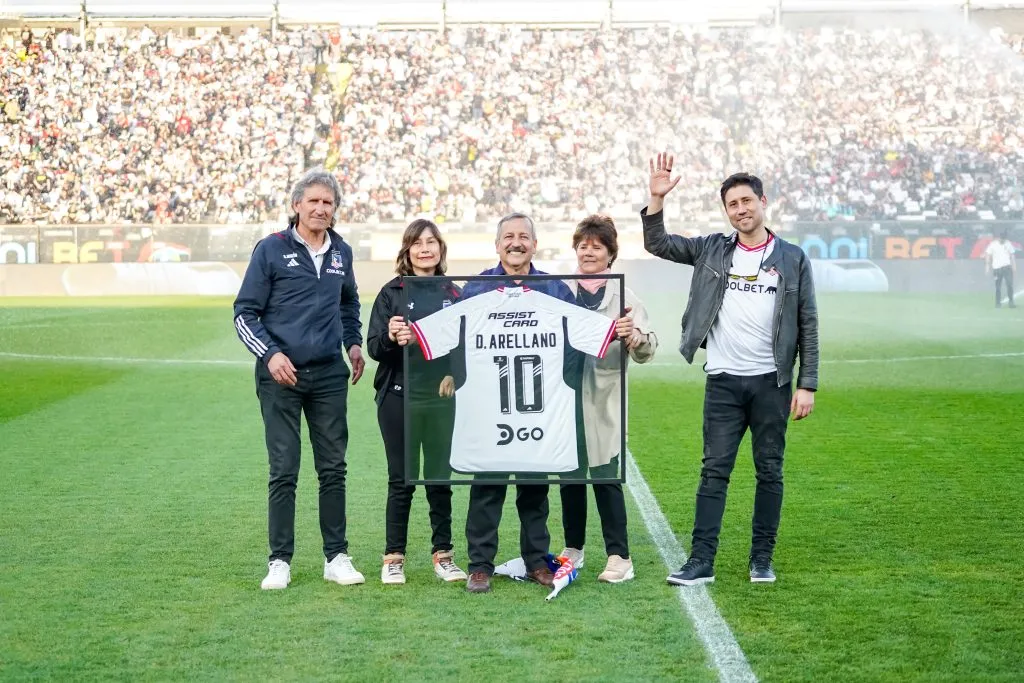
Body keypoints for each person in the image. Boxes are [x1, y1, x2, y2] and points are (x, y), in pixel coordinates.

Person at [641, 155, 819, 586]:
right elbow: (658, 244)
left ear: (762, 201)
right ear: (726, 212)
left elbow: (807, 322)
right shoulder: (712, 249)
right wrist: (656, 198)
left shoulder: (792, 258)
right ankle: (701, 561)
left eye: (746, 201)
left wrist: (806, 384)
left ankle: (762, 559)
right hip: (722, 381)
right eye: (732, 204)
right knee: (713, 471)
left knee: (769, 471)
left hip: (771, 384)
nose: (740, 209)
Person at [456, 212, 635, 594]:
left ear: (535, 245)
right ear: (497, 244)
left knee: (534, 489)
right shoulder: (476, 288)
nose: (516, 242)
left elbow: (574, 344)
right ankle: (480, 565)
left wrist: (560, 389)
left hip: (537, 408)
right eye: (508, 236)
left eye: (524, 236)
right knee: (487, 487)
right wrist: (456, 377)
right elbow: (458, 340)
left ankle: (537, 560)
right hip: (491, 408)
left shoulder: (553, 288)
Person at [233, 168, 367, 591]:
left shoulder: (341, 252)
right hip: (281, 376)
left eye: (328, 203)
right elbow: (244, 313)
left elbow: (349, 304)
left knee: (333, 468)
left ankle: (336, 556)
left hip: (328, 374)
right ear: (296, 205)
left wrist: (354, 344)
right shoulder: (271, 250)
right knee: (284, 468)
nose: (321, 209)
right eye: (313, 201)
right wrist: (270, 355)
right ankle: (280, 561)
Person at [366, 219, 468, 585]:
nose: (425, 249)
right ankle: (393, 558)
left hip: (440, 400)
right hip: (398, 399)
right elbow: (374, 347)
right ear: (407, 250)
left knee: (440, 479)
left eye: (431, 242)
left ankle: (443, 555)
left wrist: (456, 375)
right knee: (402, 480)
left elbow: (464, 348)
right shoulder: (391, 292)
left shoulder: (455, 294)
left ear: (440, 249)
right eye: (417, 243)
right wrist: (392, 337)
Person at [558, 215, 658, 584]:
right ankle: (573, 549)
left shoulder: (625, 297)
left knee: (604, 477)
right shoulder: (560, 291)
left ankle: (620, 556)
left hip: (603, 400)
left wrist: (636, 337)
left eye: (596, 246)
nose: (588, 251)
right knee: (570, 476)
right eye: (583, 245)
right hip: (564, 399)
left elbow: (647, 350)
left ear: (610, 253)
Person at [985, 229, 1017, 308]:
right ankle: (997, 303)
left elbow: (1012, 255)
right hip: (997, 268)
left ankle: (1011, 301)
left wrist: (1014, 266)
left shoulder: (1008, 244)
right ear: (999, 237)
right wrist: (987, 266)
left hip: (1007, 268)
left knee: (1009, 284)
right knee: (998, 287)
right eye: (1001, 238)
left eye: (1004, 238)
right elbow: (988, 254)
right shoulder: (993, 244)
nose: (1002, 240)